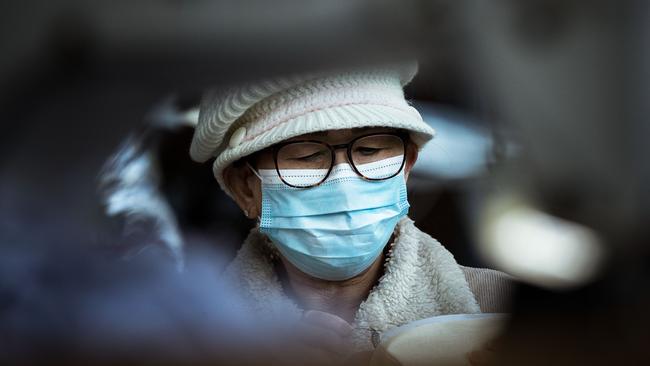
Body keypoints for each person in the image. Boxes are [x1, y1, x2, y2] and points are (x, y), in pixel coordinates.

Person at [189, 63, 513, 362]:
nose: (344, 180)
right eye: (306, 155)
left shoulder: (505, 312)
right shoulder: (186, 339)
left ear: (406, 167)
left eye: (369, 150)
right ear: (245, 187)